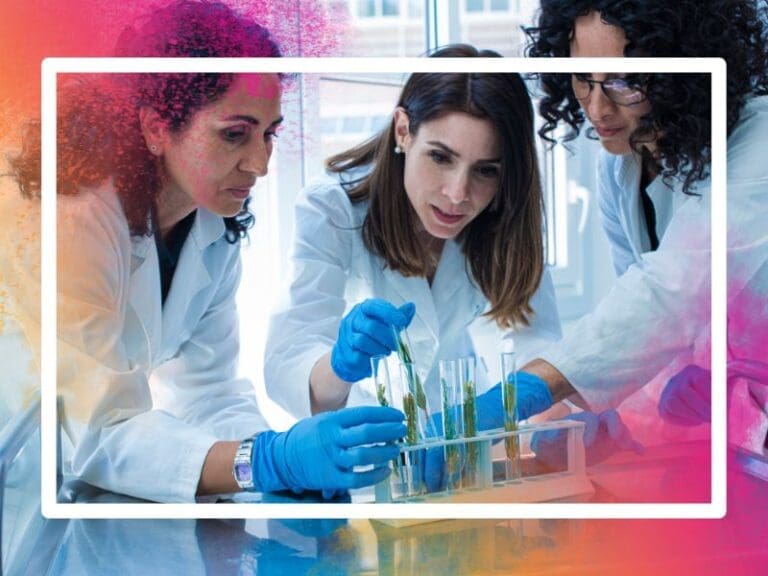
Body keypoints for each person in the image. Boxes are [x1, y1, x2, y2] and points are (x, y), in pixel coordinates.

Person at [7, 0, 405, 504]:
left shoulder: (211, 224)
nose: (260, 164)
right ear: (155, 127)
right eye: (234, 134)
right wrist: (263, 464)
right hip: (19, 476)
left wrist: (272, 458)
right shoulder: (71, 214)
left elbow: (208, 391)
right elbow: (96, 429)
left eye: (269, 134)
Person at [464, 0, 768, 447]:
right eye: (583, 77)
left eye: (622, 81)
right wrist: (626, 409)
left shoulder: (757, 141)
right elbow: (646, 325)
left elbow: (671, 291)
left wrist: (522, 393)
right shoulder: (621, 167)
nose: (596, 108)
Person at [264, 44, 562, 422]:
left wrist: (560, 426)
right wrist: (341, 365)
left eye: (485, 170)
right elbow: (292, 368)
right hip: (363, 445)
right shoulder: (333, 210)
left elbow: (533, 344)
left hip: (466, 440)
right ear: (403, 131)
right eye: (440, 157)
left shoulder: (503, 213)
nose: (457, 194)